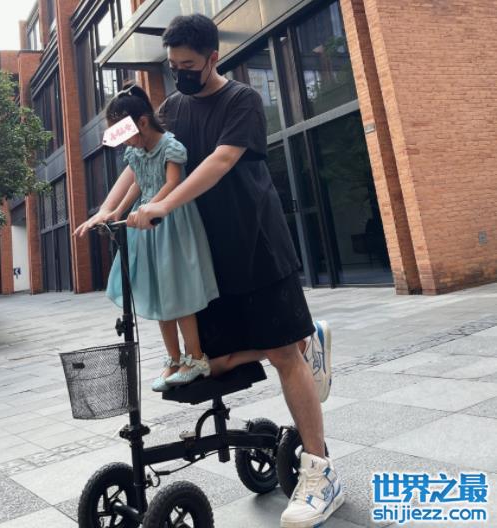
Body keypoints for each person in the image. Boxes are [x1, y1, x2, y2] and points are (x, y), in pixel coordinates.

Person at [76, 14, 341, 527]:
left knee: (281, 356)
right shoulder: (170, 108)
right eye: (172, 65)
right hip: (204, 258)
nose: (179, 73)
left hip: (256, 245)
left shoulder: (242, 100)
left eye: (188, 65)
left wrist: (163, 204)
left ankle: (321, 471)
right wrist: (106, 210)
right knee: (208, 363)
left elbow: (220, 161)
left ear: (212, 58)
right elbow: (137, 160)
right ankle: (305, 340)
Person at [101, 82, 219, 391]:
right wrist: (117, 211)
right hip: (146, 225)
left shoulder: (170, 146)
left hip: (171, 221)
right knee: (157, 293)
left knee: (178, 292)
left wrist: (152, 207)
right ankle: (173, 359)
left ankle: (196, 358)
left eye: (125, 134)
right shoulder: (136, 152)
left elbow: (172, 183)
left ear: (142, 122)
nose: (125, 142)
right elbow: (137, 183)